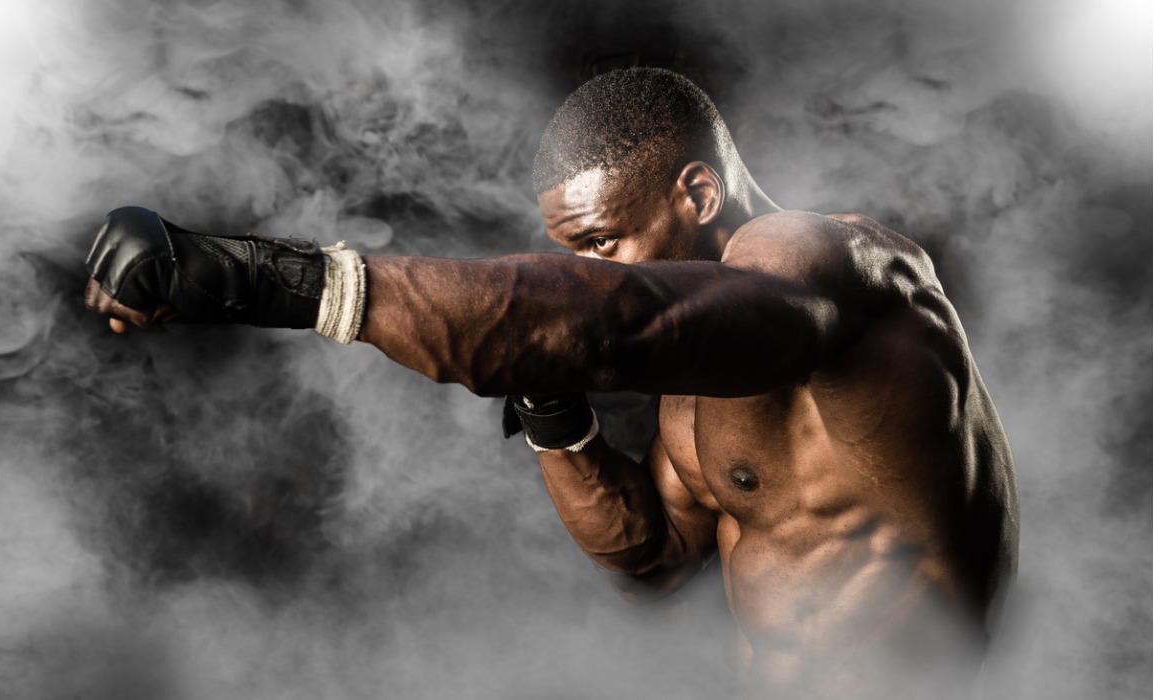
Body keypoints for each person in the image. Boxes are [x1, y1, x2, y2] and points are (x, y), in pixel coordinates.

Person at [83, 67, 1018, 698]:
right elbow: (652, 561)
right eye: (577, 254)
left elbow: (612, 319)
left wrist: (265, 279)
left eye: (606, 244)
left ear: (695, 193)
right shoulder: (706, 377)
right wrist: (554, 416)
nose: (596, 270)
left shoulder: (822, 262)